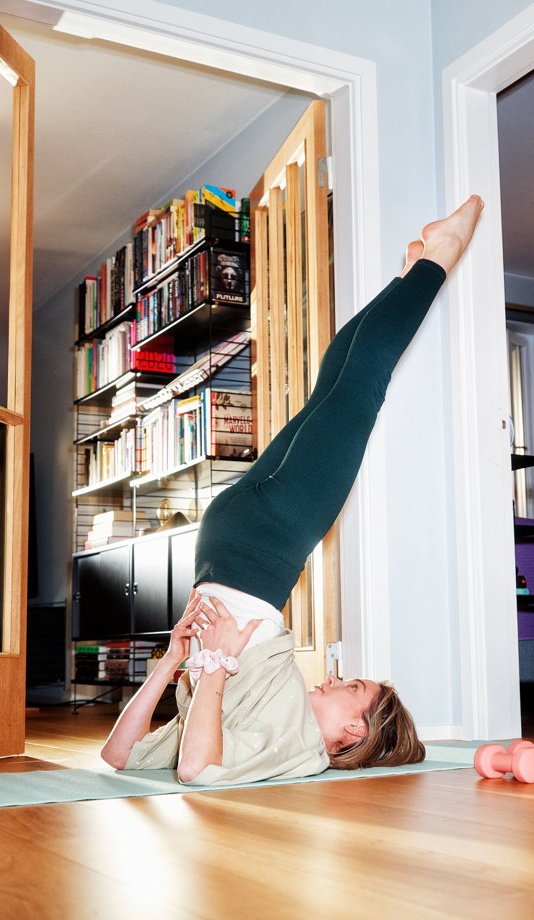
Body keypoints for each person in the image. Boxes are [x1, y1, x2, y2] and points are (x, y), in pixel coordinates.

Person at [101, 195, 484, 785]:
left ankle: (438, 258)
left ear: (353, 730)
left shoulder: (298, 748)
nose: (332, 677)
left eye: (350, 686)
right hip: (260, 543)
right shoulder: (295, 739)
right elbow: (182, 759)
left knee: (357, 386)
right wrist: (210, 665)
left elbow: (143, 760)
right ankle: (416, 271)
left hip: (254, 540)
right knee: (339, 385)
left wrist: (180, 660)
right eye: (349, 680)